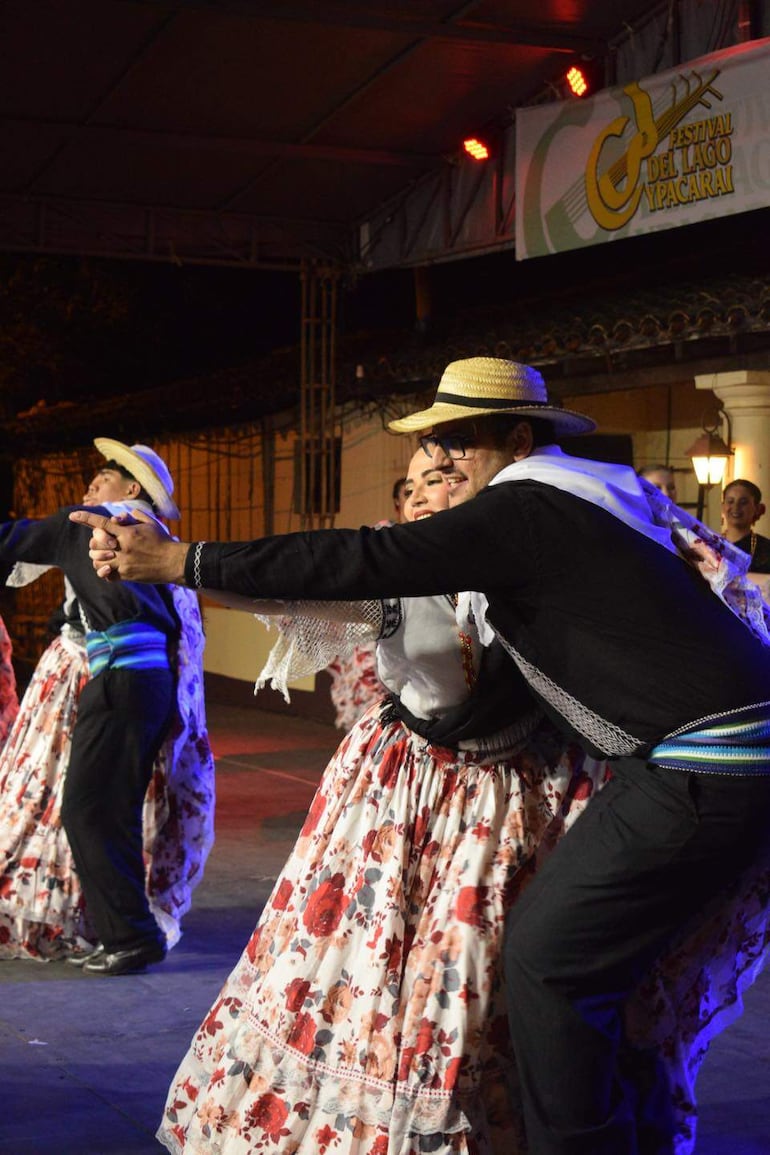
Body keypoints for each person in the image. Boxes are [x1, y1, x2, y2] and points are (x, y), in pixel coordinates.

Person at [73, 357, 770, 1152]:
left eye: (458, 444)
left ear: (516, 439)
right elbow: (348, 576)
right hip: (651, 763)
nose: (440, 464)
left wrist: (177, 561)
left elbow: (357, 563)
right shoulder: (599, 496)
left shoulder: (523, 512)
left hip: (694, 766)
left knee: (548, 959)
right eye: (431, 452)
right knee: (572, 966)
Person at [157, 445, 610, 1153]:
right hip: (400, 793)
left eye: (449, 477)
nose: (429, 492)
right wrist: (180, 563)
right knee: (372, 959)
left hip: (513, 799)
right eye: (415, 484)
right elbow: (282, 584)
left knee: (478, 969)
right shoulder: (392, 582)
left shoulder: (536, 572)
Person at [1, 440, 209, 976]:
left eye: (101, 480)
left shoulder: (90, 524)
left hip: (119, 680)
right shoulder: (156, 541)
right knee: (110, 809)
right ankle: (123, 932)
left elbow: (13, 539)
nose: (88, 490)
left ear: (132, 488)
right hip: (151, 684)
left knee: (87, 809)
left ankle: (130, 936)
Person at [721, 478, 770, 573]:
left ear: (757, 508)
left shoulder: (766, 549)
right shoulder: (710, 544)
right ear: (723, 507)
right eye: (730, 501)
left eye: (743, 502)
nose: (736, 507)